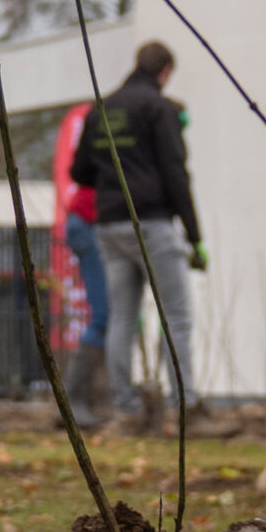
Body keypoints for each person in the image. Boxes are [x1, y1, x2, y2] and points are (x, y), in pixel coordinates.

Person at [69, 41, 205, 429]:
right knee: (175, 315)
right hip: (152, 222)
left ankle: (126, 412)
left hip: (109, 225)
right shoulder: (159, 108)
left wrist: (113, 176)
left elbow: (80, 172)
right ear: (165, 72)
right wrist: (194, 236)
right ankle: (184, 409)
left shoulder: (101, 109)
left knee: (121, 319)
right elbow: (176, 173)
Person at [59, 105, 111, 424]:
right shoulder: (112, 138)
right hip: (88, 223)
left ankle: (90, 401)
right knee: (104, 313)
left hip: (91, 224)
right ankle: (72, 401)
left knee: (114, 314)